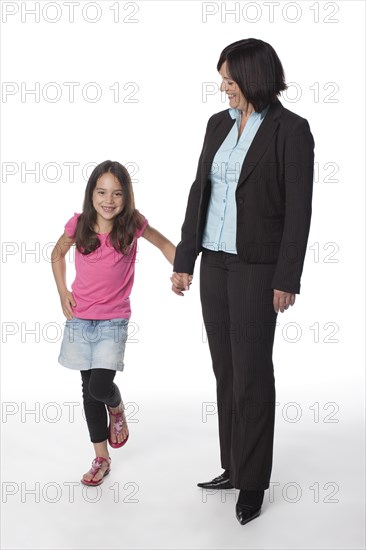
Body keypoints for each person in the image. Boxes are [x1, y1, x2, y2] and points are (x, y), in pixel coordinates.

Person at [171, 38, 314, 525]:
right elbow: (200, 191)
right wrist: (185, 258)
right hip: (215, 264)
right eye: (222, 81)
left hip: (258, 269)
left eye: (230, 81)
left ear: (254, 77)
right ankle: (233, 466)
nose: (224, 89)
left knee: (252, 373)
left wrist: (287, 276)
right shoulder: (217, 124)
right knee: (226, 371)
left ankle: (253, 483)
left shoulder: (291, 131)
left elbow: (299, 211)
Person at [51, 160, 175, 486]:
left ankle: (116, 407)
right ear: (91, 194)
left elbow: (164, 244)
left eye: (117, 193)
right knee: (88, 392)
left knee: (99, 387)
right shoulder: (78, 225)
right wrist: (63, 291)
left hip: (113, 320)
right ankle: (101, 458)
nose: (109, 200)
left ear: (126, 197)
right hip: (80, 319)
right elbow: (56, 254)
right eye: (102, 192)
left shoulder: (132, 224)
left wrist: (182, 267)